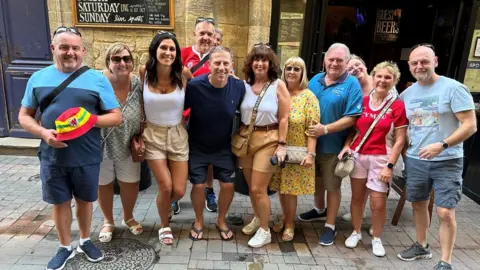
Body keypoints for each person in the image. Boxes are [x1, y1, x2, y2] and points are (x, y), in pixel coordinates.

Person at [18, 26, 122, 270]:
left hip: (87, 155)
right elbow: (24, 115)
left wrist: (89, 120)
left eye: (75, 48)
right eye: (64, 47)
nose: (70, 52)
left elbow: (116, 117)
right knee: (60, 202)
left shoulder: (97, 79)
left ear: (83, 51)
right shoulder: (38, 78)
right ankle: (65, 246)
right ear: (53, 49)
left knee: (85, 201)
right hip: (52, 156)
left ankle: (85, 241)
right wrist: (43, 133)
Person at [397, 44, 476, 270]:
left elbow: (470, 125)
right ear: (410, 66)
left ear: (436, 61)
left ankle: (446, 261)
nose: (420, 66)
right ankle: (422, 246)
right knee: (419, 205)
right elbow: (404, 126)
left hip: (448, 159)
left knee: (445, 211)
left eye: (424, 61)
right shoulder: (406, 94)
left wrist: (442, 145)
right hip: (416, 160)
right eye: (415, 63)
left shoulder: (454, 88)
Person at [339, 61, 407, 257]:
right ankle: (356, 231)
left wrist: (390, 166)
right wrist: (346, 146)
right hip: (359, 156)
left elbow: (400, 139)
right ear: (373, 77)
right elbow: (354, 128)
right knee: (357, 198)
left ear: (394, 81)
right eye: (379, 76)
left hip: (381, 158)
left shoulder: (397, 106)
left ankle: (376, 237)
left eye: (388, 77)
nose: (383, 80)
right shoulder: (363, 100)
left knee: (377, 203)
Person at [297, 43, 363, 246]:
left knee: (332, 186)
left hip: (333, 147)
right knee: (317, 181)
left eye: (339, 60)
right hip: (310, 146)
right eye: (331, 59)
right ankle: (318, 210)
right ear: (324, 60)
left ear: (346, 62)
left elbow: (352, 118)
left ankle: (330, 225)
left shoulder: (352, 85)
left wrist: (325, 129)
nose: (334, 63)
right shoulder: (315, 79)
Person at [186, 46, 246, 241]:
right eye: (217, 63)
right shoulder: (195, 86)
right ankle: (198, 220)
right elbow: (180, 109)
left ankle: (221, 219)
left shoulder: (239, 87)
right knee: (198, 185)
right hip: (197, 146)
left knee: (228, 185)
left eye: (225, 63)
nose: (221, 67)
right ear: (209, 65)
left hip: (223, 147)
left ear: (232, 66)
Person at [140, 31, 192, 245]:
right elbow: (138, 102)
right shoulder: (144, 72)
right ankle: (164, 225)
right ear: (155, 50)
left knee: (179, 190)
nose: (168, 52)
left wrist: (230, 79)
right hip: (152, 134)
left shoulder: (183, 73)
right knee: (165, 185)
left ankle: (164, 206)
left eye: (172, 49)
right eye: (163, 48)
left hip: (178, 134)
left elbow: (205, 88)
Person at [239, 43, 290, 248]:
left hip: (269, 138)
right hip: (246, 139)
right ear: (250, 63)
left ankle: (264, 230)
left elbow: (284, 117)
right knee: (252, 188)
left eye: (264, 60)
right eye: (256, 59)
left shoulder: (278, 85)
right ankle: (259, 218)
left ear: (270, 64)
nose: (260, 63)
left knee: (258, 188)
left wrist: (282, 145)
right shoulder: (244, 85)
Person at [97, 43, 144, 243]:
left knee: (130, 184)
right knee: (104, 184)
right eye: (116, 59)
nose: (122, 63)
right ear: (108, 63)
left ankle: (129, 217)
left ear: (132, 63)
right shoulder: (99, 83)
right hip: (102, 144)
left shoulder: (138, 84)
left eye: (126, 59)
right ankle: (108, 221)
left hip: (128, 143)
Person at [269, 57, 319, 241]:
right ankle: (285, 218)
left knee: (290, 191)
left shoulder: (309, 97)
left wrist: (311, 154)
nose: (291, 72)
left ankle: (290, 224)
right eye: (288, 68)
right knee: (282, 189)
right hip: (276, 149)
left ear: (302, 73)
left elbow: (312, 129)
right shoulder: (277, 92)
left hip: (297, 151)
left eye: (296, 69)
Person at [178, 17, 218, 214]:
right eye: (202, 33)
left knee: (208, 158)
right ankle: (176, 195)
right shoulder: (182, 54)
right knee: (179, 156)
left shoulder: (218, 57)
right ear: (194, 34)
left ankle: (209, 191)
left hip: (207, 117)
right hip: (182, 116)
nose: (205, 37)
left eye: (209, 34)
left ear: (214, 37)